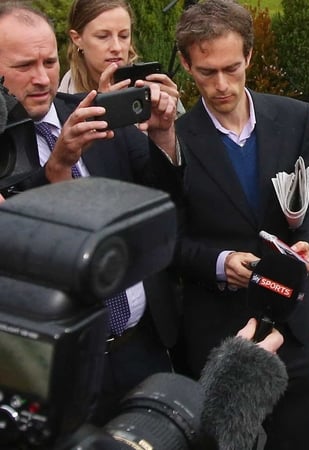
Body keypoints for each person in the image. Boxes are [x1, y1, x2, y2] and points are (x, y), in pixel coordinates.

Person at [0, 2, 182, 425]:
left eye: (49, 62)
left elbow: (166, 200)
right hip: (59, 370)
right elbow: (25, 255)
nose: (42, 78)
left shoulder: (98, 111)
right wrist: (57, 168)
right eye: (24, 66)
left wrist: (164, 136)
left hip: (143, 347)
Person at [170, 0, 309, 448]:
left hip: (291, 322)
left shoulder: (295, 118)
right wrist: (219, 262)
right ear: (186, 64)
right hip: (215, 333)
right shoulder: (173, 141)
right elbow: (167, 240)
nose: (221, 85)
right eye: (206, 72)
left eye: (232, 68)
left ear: (250, 56)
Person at [60, 0, 185, 114]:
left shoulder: (150, 86)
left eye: (123, 36)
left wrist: (171, 123)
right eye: (103, 36)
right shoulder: (61, 101)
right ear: (77, 38)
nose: (117, 47)